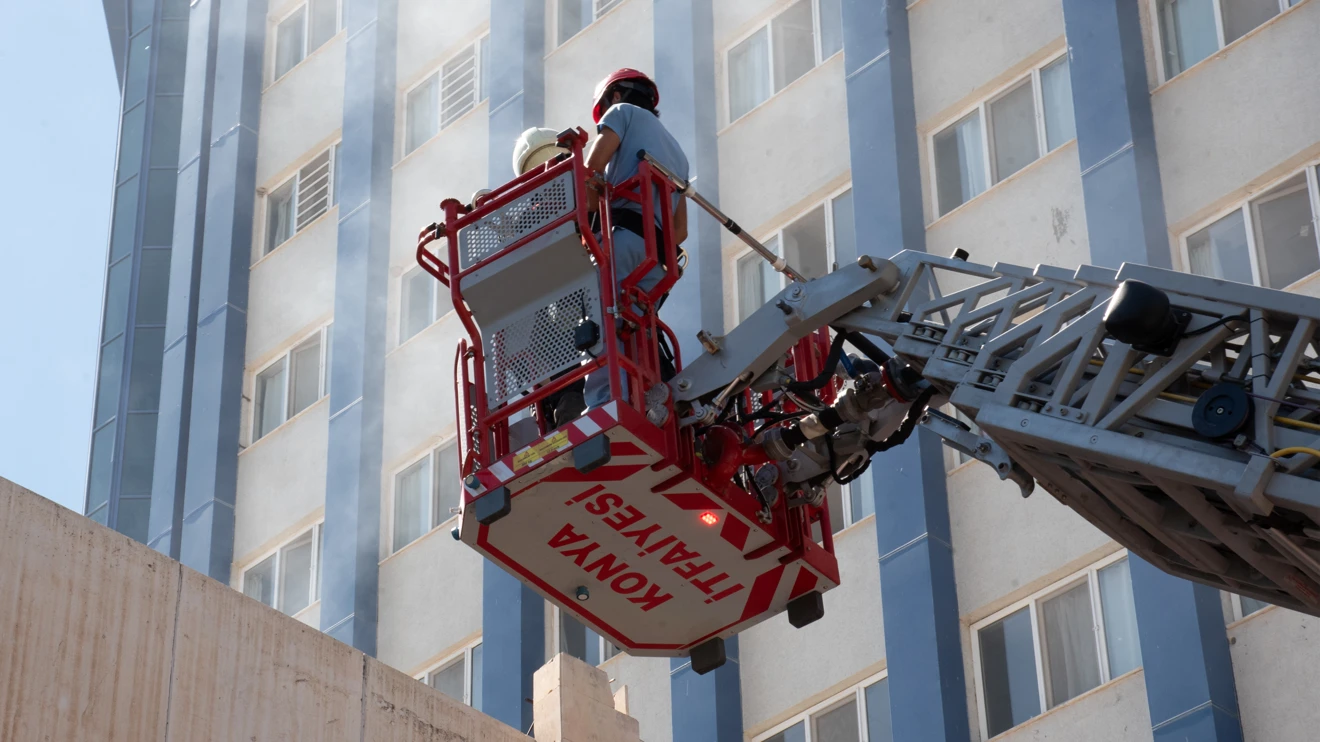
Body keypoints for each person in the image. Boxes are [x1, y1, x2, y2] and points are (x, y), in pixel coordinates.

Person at [577, 68, 690, 411]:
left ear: (614, 97)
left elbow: (591, 170)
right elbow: (680, 231)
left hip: (623, 240)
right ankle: (644, 404)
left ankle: (605, 404)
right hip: (656, 263)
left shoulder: (621, 112)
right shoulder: (679, 154)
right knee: (634, 330)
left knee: (599, 320)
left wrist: (584, 214)